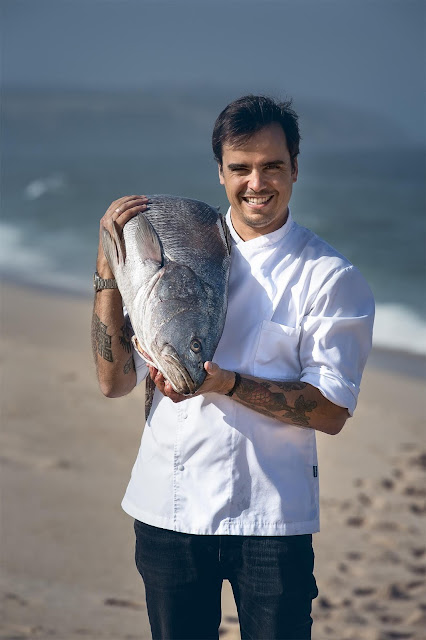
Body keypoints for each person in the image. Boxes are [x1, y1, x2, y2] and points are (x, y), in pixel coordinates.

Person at [92, 95, 375, 640]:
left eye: (272, 166)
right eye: (240, 168)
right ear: (220, 172)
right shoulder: (172, 247)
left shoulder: (330, 277)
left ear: (295, 167)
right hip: (169, 510)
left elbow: (332, 411)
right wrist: (109, 264)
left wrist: (226, 383)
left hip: (272, 521)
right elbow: (114, 381)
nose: (256, 183)